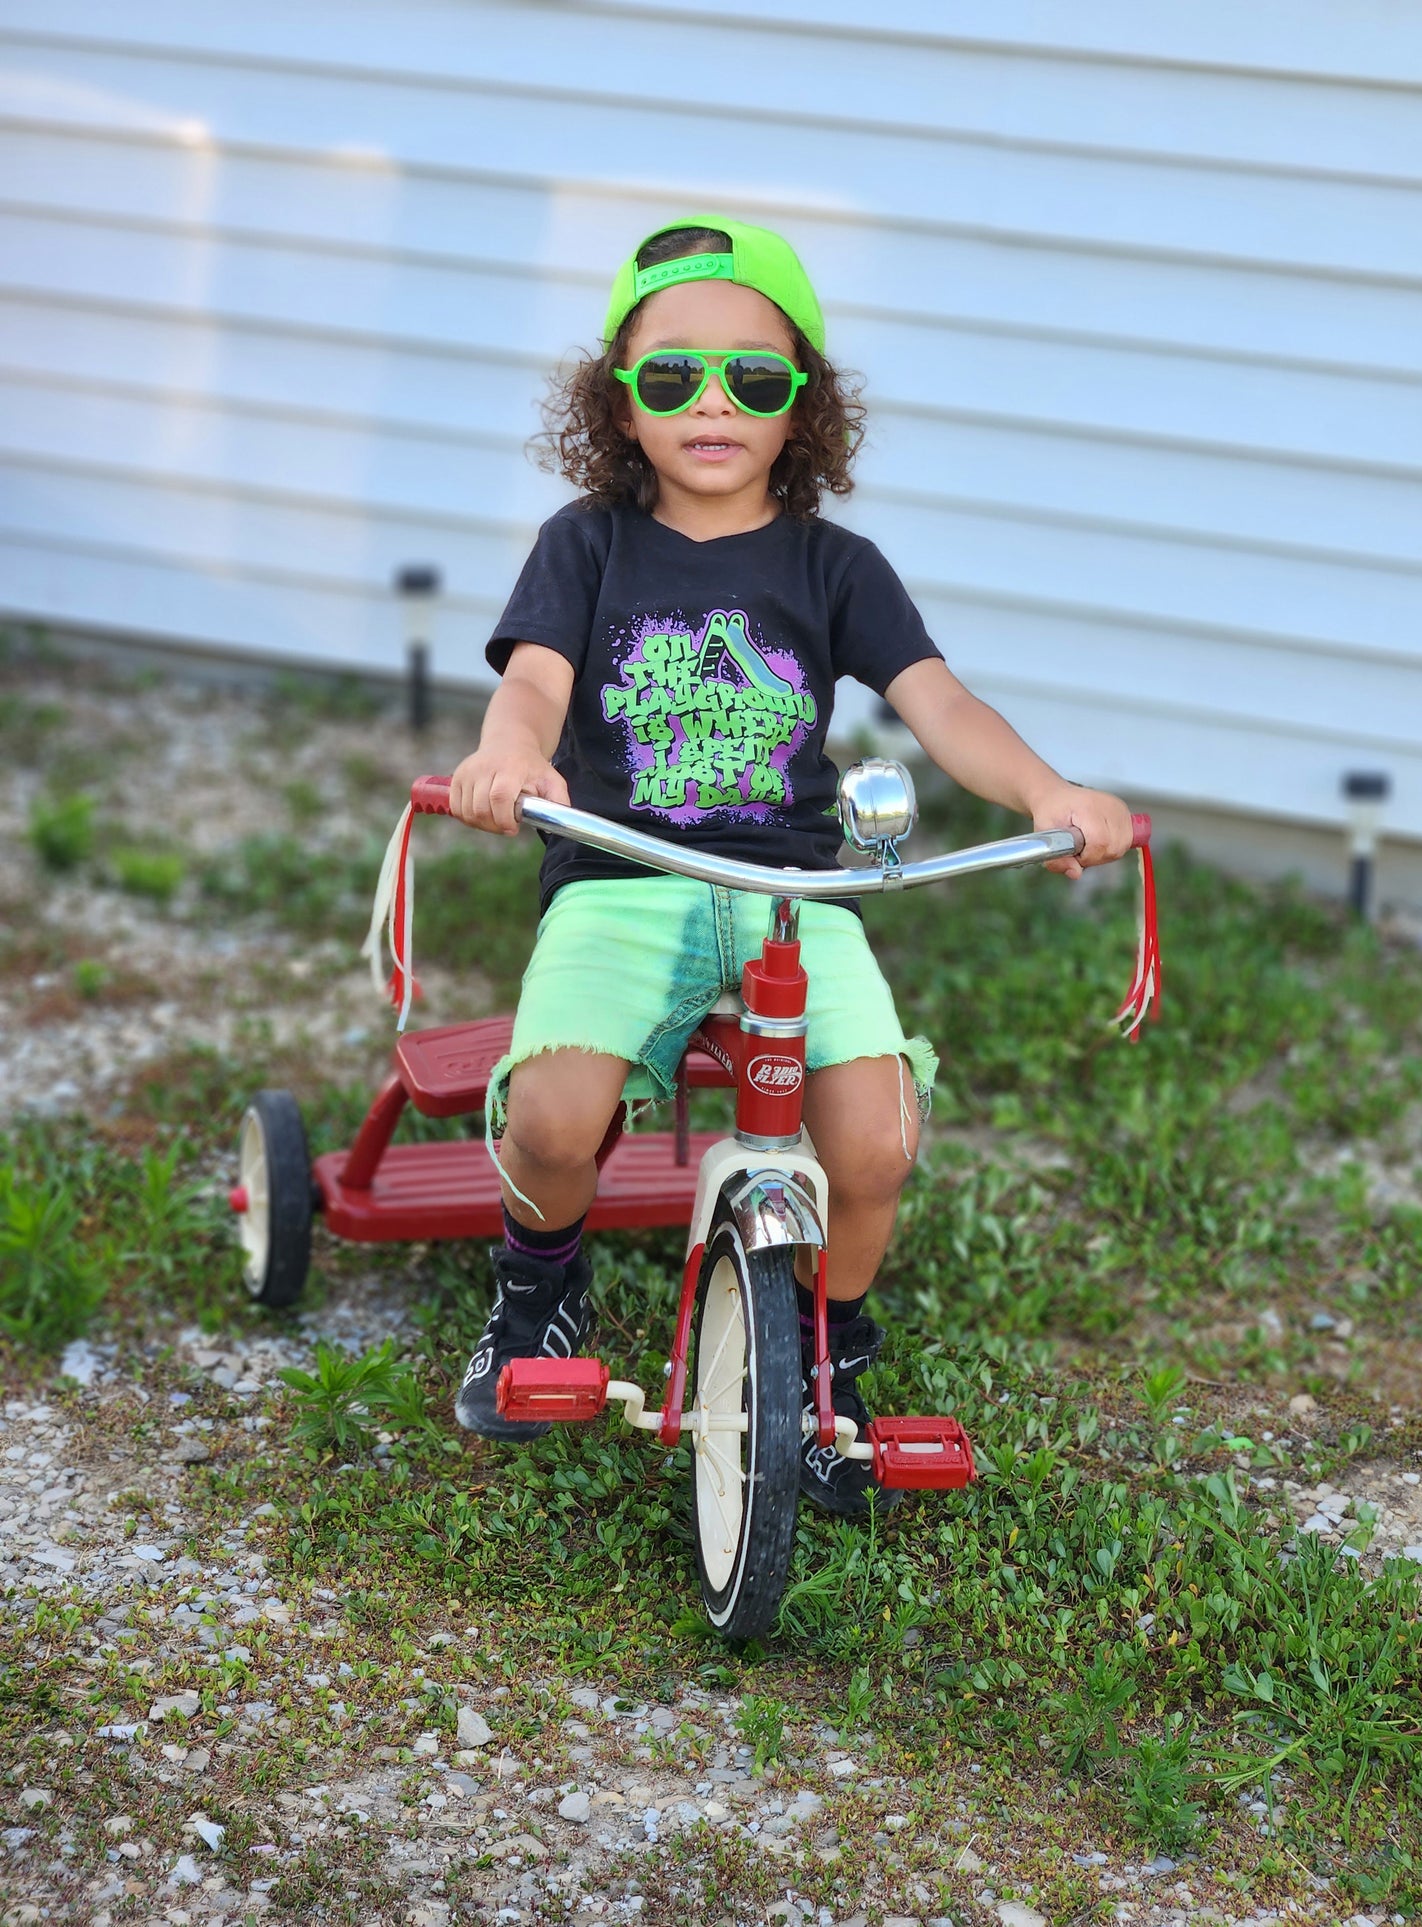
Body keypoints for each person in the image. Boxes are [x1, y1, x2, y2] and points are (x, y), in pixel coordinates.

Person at [448, 215, 1133, 1512]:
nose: (713, 403)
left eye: (754, 379)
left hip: (790, 896)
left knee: (872, 1148)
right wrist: (509, 758)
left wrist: (1046, 788)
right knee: (548, 1120)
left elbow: (939, 705)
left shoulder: (833, 565)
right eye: (672, 378)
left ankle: (833, 1358)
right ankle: (538, 1290)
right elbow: (532, 687)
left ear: (802, 403)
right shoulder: (583, 546)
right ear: (619, 400)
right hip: (618, 877)